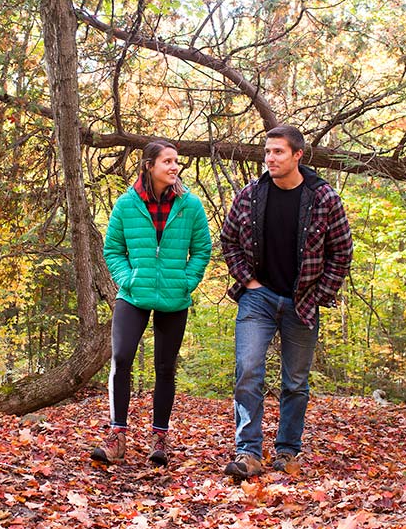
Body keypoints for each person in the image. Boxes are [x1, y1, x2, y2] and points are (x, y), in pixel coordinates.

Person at [219, 125, 352, 479]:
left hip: (303, 300)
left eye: (278, 152)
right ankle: (248, 452)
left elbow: (341, 252)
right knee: (247, 370)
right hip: (258, 298)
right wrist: (248, 280)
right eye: (267, 152)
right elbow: (228, 240)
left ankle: (287, 451)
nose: (270, 158)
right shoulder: (251, 195)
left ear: (298, 156)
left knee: (295, 381)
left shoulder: (324, 198)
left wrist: (321, 293)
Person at [92, 140, 212, 467]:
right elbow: (112, 250)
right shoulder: (126, 205)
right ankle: (117, 436)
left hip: (174, 297)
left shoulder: (190, 205)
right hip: (134, 294)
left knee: (165, 366)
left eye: (177, 162)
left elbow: (202, 249)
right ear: (149, 165)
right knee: (121, 356)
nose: (174, 167)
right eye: (167, 162)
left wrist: (187, 281)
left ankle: (159, 437)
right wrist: (128, 279)